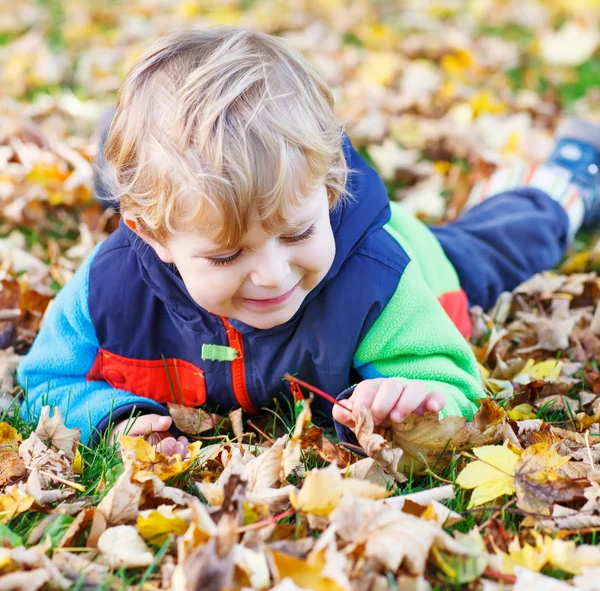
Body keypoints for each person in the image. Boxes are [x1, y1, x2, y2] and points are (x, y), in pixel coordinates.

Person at [16, 26, 600, 457]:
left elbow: (454, 385)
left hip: (427, 257)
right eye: (226, 254)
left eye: (296, 232)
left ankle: (563, 183)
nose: (271, 275)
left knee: (508, 241)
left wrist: (411, 397)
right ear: (152, 236)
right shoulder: (109, 292)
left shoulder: (378, 280)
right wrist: (110, 419)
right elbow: (46, 383)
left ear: (327, 191)